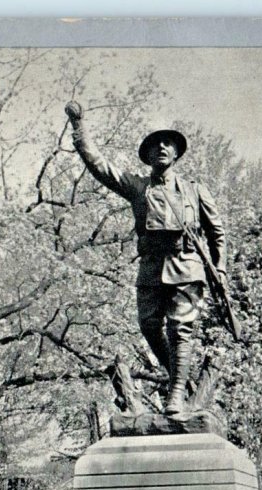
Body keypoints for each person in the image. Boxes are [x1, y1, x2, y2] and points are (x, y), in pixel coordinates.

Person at [65, 101, 227, 414]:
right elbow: (99, 165)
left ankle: (176, 393)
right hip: (152, 266)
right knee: (149, 326)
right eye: (155, 145)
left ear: (176, 153)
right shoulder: (138, 187)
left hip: (187, 265)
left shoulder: (195, 190)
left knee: (180, 329)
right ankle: (180, 378)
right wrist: (78, 127)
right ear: (148, 155)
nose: (162, 147)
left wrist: (219, 268)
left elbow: (217, 232)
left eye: (168, 143)